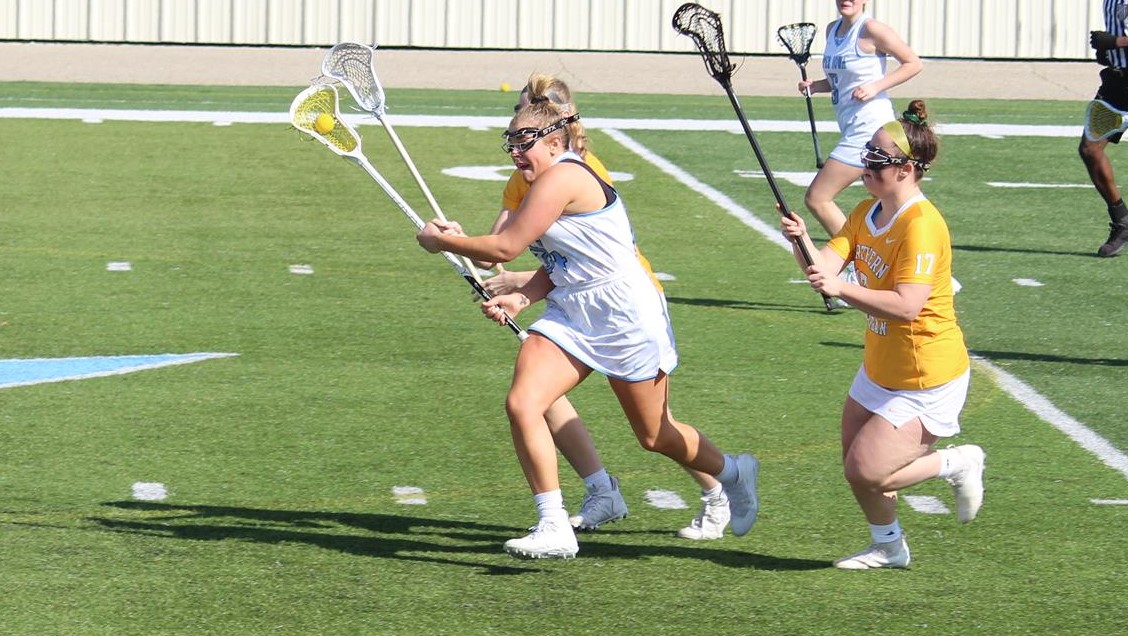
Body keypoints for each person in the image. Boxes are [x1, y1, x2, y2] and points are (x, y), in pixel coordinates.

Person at [417, 99, 760, 559]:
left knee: (655, 435)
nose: (516, 153)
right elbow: (559, 260)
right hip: (572, 310)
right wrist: (522, 296)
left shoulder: (565, 176)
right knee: (524, 402)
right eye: (511, 142)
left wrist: (441, 241)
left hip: (625, 313)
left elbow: (505, 247)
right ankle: (553, 524)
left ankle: (733, 473)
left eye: (525, 142)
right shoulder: (533, 179)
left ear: (556, 143)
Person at [479, 73, 730, 541]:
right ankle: (587, 499)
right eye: (514, 128)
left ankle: (721, 486)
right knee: (531, 397)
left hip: (618, 303)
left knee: (655, 431)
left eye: (527, 126)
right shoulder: (525, 174)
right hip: (571, 298)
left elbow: (518, 248)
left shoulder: (577, 171)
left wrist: (509, 276)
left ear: (554, 128)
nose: (516, 138)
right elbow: (496, 248)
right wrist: (512, 284)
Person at [779, 100, 985, 569]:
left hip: (925, 373)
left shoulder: (922, 226)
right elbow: (825, 270)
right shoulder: (866, 211)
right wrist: (800, 241)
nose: (865, 167)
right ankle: (889, 548)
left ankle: (958, 463)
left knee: (867, 470)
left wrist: (842, 288)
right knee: (857, 466)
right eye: (867, 156)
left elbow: (908, 306)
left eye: (877, 160)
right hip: (880, 365)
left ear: (907, 170)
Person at [799, 0, 922, 239]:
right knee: (889, 201)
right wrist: (816, 86)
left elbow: (913, 63)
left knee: (817, 198)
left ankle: (857, 256)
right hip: (852, 128)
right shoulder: (832, 30)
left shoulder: (872, 29)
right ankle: (888, 255)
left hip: (870, 131)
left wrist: (876, 86)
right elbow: (840, 81)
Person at [1081, 0, 1128, 257]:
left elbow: (1119, 39)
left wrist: (1114, 43)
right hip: (1118, 85)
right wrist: (1108, 53)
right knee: (1090, 149)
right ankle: (1122, 221)